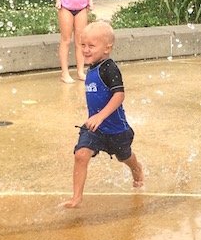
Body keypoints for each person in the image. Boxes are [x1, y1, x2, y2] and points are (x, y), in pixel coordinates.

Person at [61, 21, 144, 208]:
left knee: (124, 156)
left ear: (107, 49)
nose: (86, 50)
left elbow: (119, 95)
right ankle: (76, 198)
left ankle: (136, 168)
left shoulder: (109, 68)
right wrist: (94, 118)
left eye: (91, 46)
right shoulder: (91, 68)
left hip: (116, 129)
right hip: (94, 128)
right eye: (83, 45)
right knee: (81, 155)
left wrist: (100, 116)